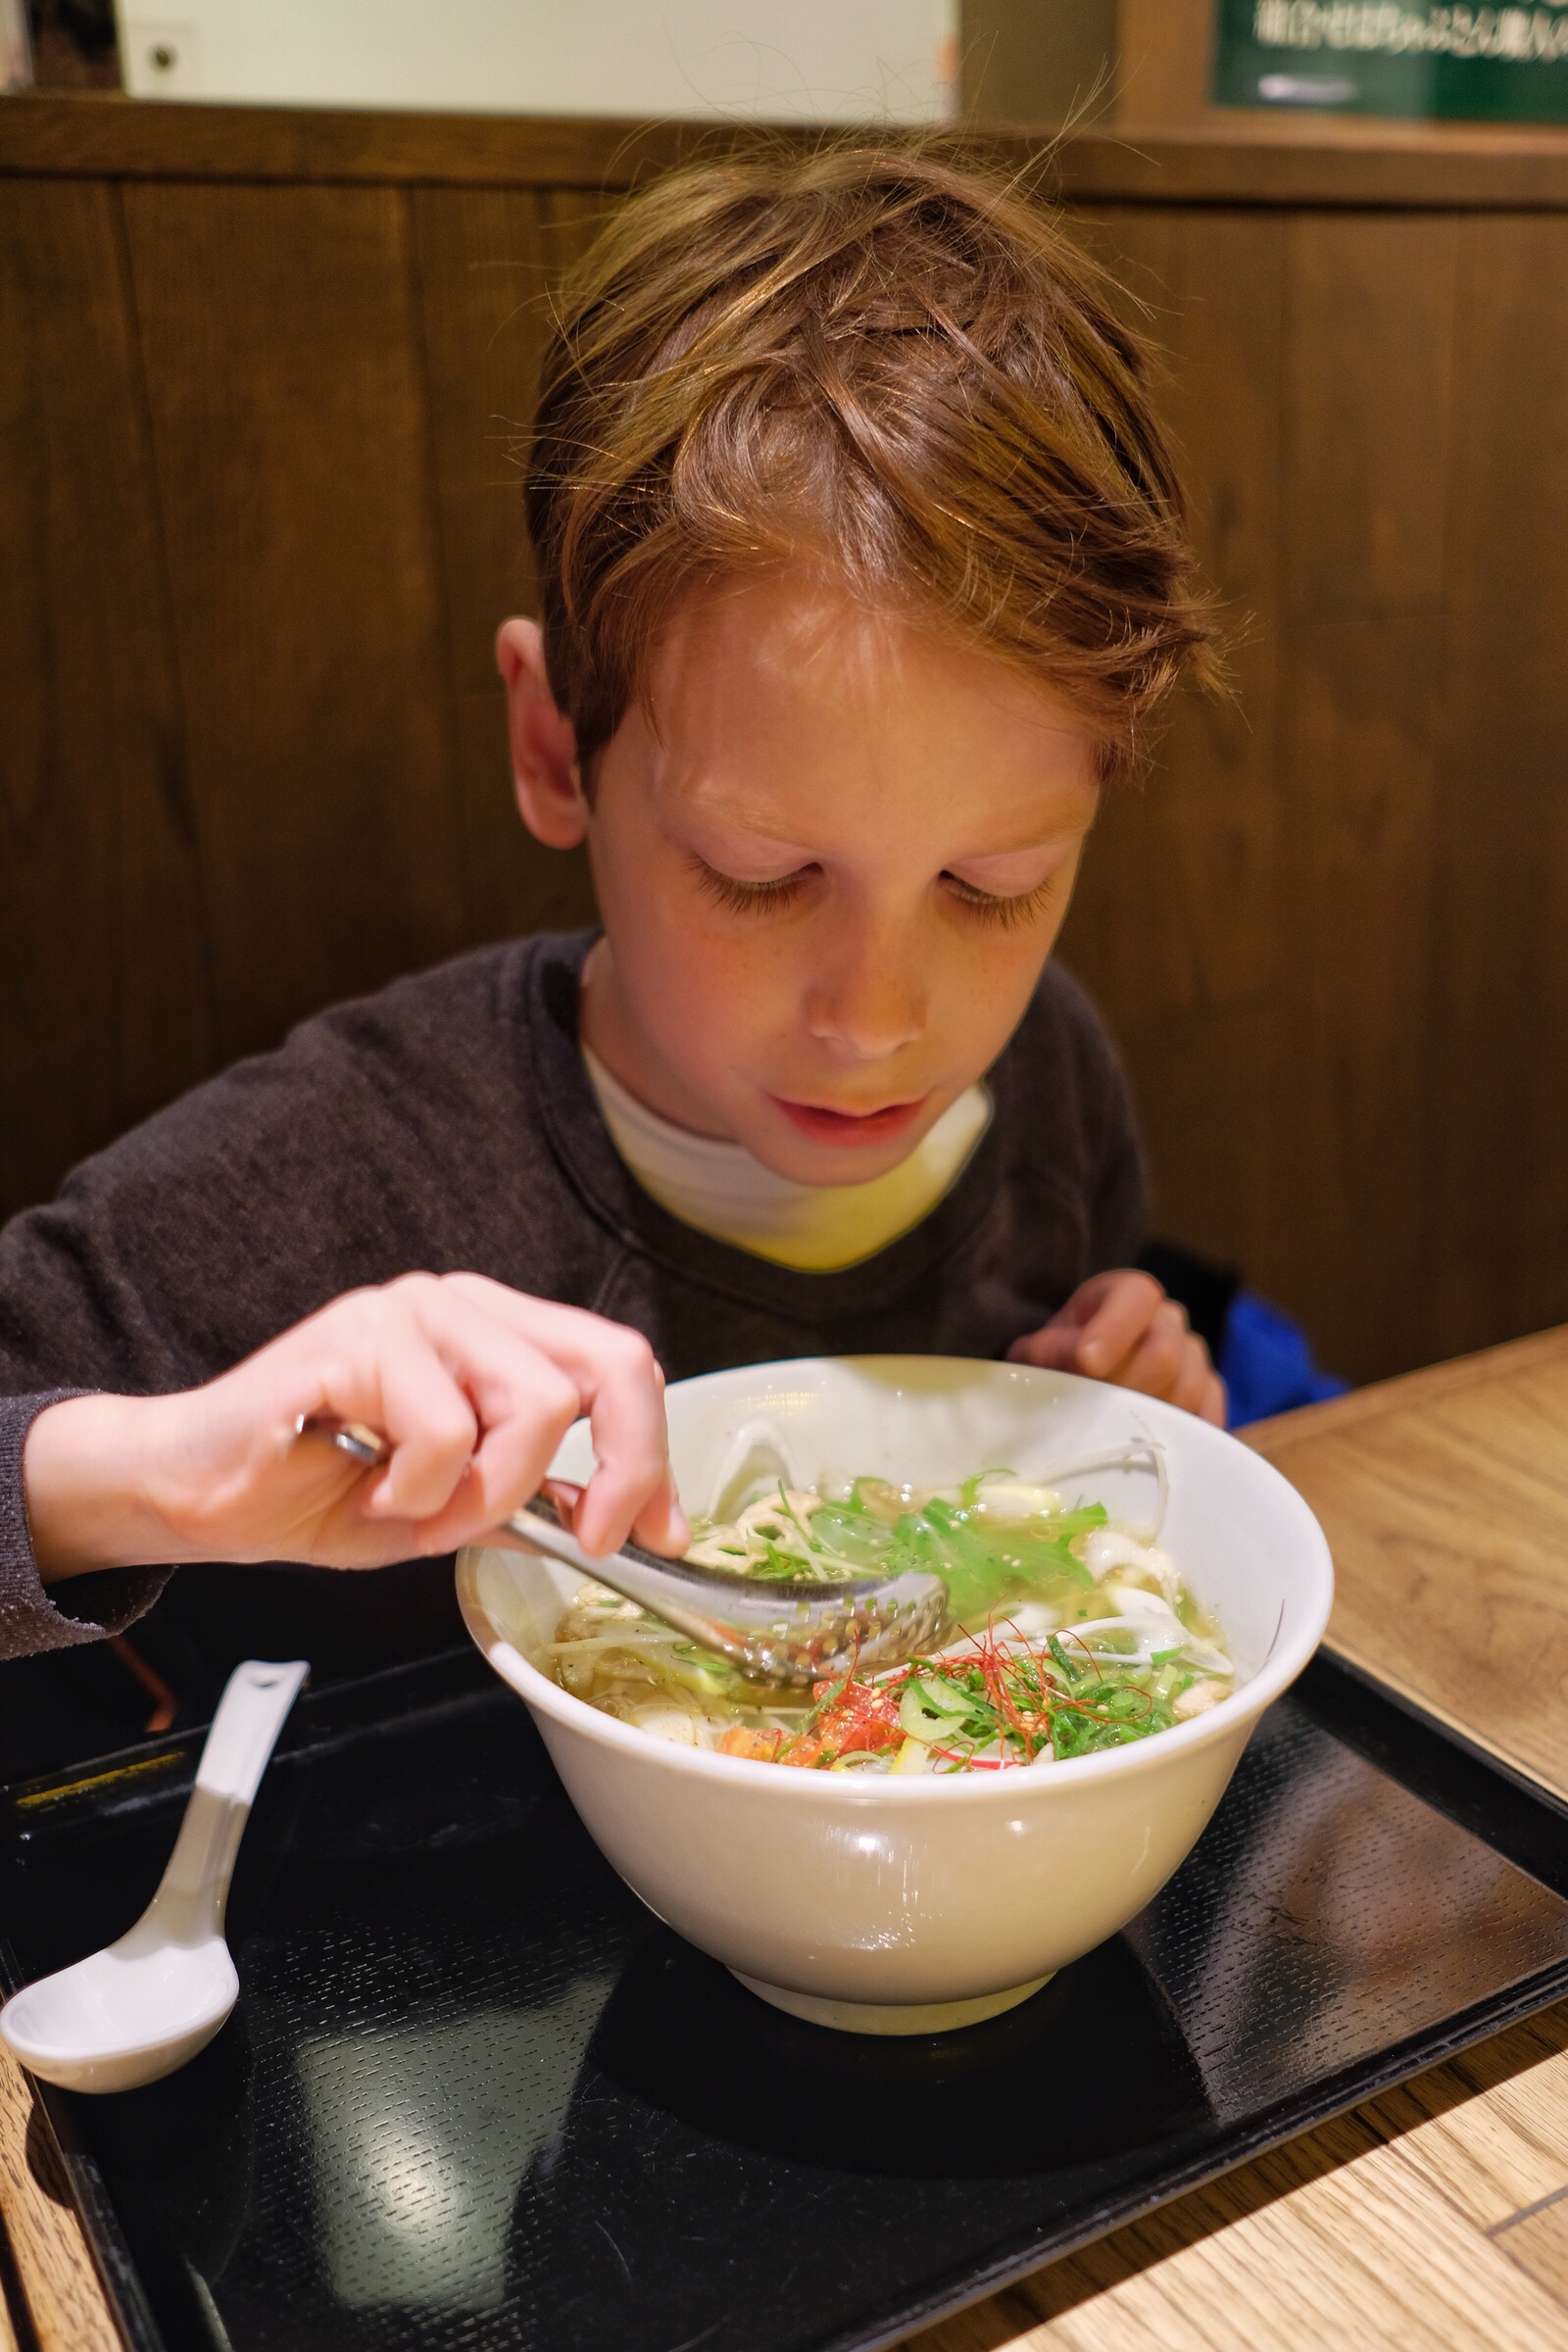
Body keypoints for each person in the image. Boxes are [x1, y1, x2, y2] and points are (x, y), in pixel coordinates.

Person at [0, 143, 1223, 1712]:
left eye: (992, 889)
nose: (878, 1018)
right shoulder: (341, 1169)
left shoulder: (1052, 1071)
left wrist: (1123, 1418)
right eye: (758, 873)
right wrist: (152, 1468)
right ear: (546, 748)